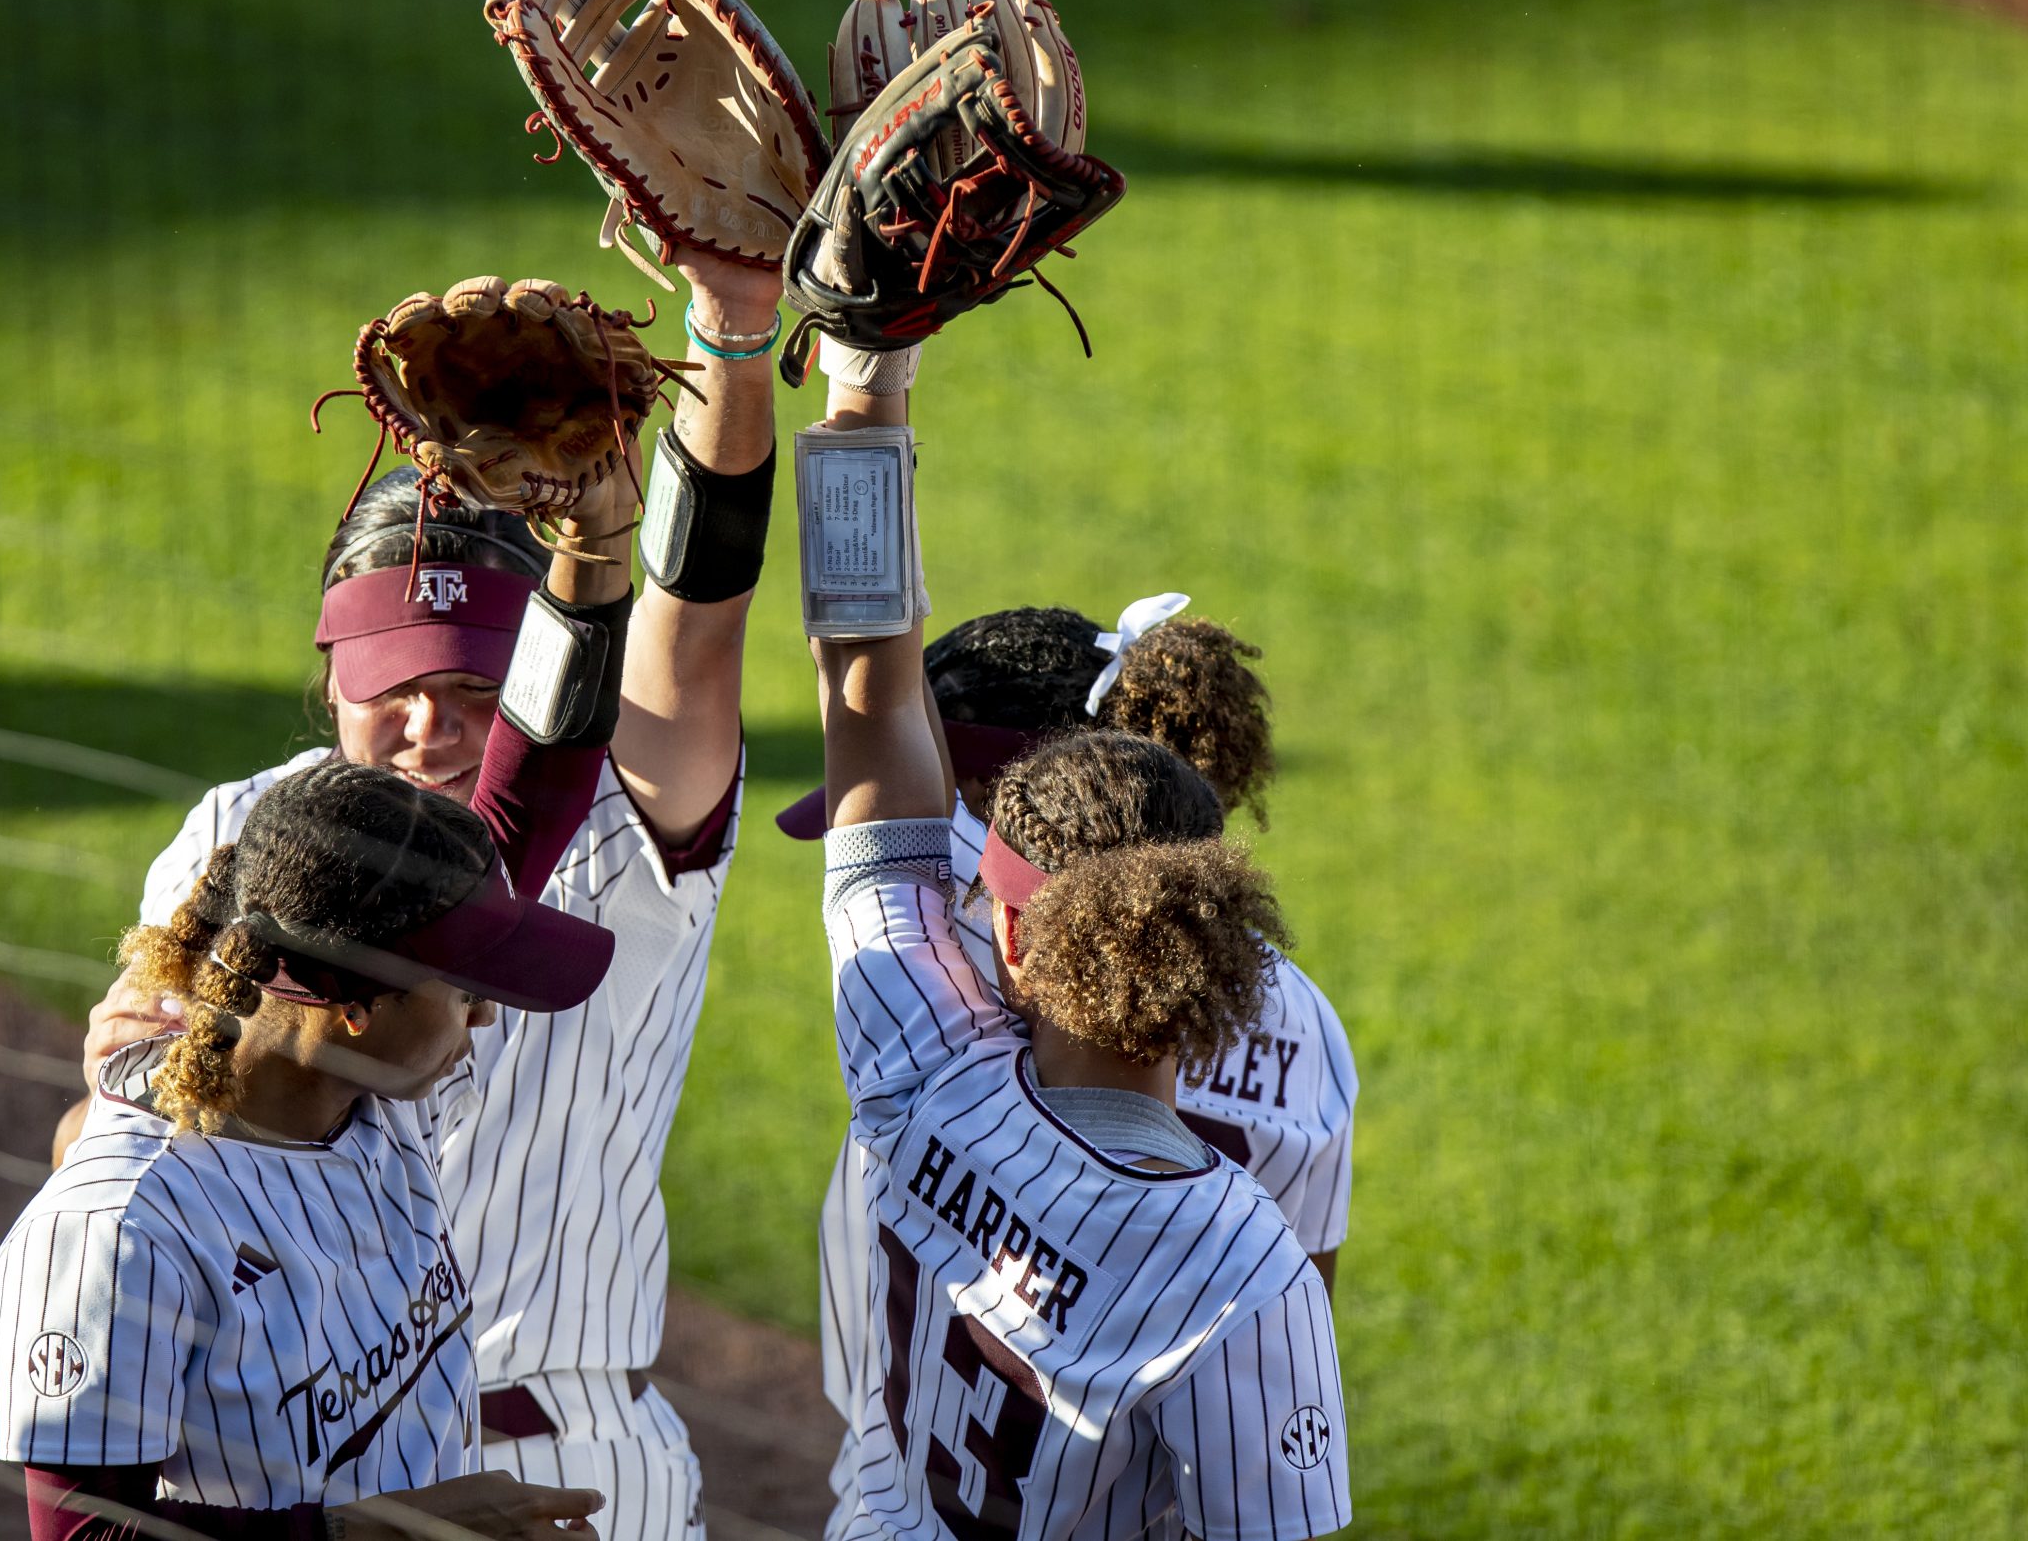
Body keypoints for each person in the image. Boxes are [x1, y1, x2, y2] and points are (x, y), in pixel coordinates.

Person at [74, 248, 784, 1541]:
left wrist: (734, 340)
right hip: (280, 1451)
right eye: (391, 682)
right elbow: (120, 1107)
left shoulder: (617, 813)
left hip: (563, 1460)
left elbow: (703, 620)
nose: (424, 727)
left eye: (472, 688)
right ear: (330, 664)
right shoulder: (246, 829)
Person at [802, 366, 1350, 1540]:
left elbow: (861, 698)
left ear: (1006, 928)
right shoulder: (1247, 1270)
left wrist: (866, 380)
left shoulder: (919, 1056)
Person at [0, 761, 619, 1538]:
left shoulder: (376, 1100)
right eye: (464, 990)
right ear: (354, 1008)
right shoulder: (118, 1229)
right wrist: (381, 1532)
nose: (486, 1018)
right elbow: (85, 1535)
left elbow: (526, 802)